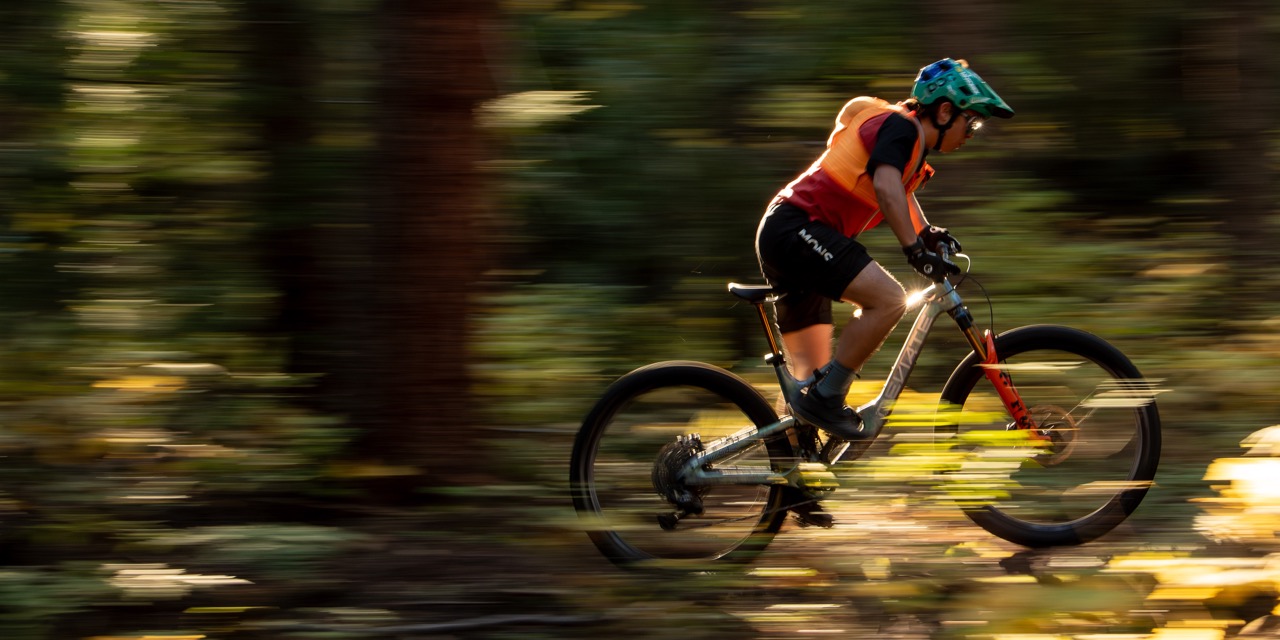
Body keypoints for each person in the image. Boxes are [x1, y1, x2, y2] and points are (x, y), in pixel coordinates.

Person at [756, 58, 1014, 442]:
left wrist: (925, 233)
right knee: (891, 300)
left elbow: (900, 190)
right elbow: (886, 185)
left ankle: (793, 484)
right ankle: (827, 400)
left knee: (806, 397)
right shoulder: (900, 127)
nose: (973, 131)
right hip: (797, 231)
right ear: (945, 111)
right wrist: (912, 248)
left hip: (792, 236)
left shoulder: (905, 142)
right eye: (971, 121)